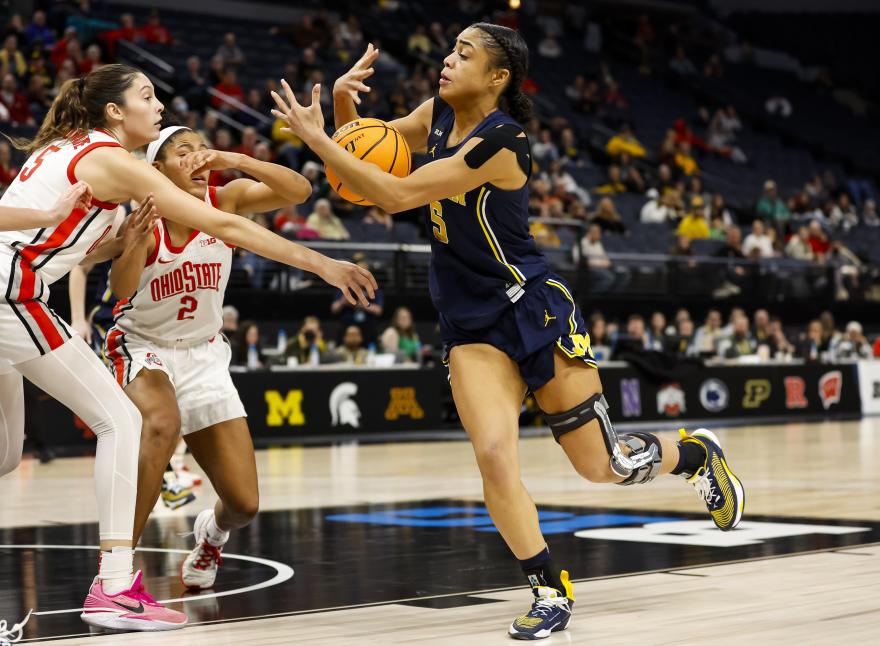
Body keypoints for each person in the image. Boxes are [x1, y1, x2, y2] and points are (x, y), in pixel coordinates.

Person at [277, 31, 743, 640]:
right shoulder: (437, 114)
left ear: (498, 77)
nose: (448, 58)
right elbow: (366, 164)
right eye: (450, 49)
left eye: (465, 53)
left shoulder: (503, 142)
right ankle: (549, 588)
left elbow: (395, 194)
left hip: (532, 309)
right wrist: (342, 109)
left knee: (603, 468)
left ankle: (695, 454)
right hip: (468, 322)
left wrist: (317, 139)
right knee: (494, 456)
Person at [0, 63, 374, 632]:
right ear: (114, 112)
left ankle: (121, 578)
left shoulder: (68, 147)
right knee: (124, 423)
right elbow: (230, 229)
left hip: (54, 304)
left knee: (6, 455)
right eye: (147, 96)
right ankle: (115, 585)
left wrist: (104, 242)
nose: (159, 106)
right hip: (14, 295)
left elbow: (66, 243)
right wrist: (322, 262)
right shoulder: (112, 161)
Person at [98, 115, 326, 594]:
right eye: (183, 151)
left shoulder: (225, 200)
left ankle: (210, 535)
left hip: (204, 354)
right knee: (161, 425)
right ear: (155, 167)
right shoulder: (139, 212)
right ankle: (117, 574)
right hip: (143, 345)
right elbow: (119, 292)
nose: (196, 157)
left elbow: (300, 191)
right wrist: (134, 245)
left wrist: (235, 158)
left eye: (201, 148)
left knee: (244, 505)